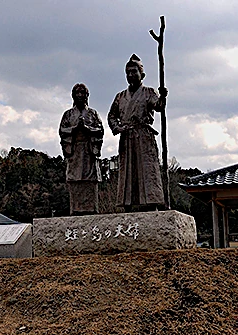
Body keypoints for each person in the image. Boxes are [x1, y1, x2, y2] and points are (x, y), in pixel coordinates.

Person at [108, 54, 168, 212]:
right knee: (128, 171)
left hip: (143, 136)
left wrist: (163, 96)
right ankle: (128, 203)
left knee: (147, 170)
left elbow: (159, 107)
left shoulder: (149, 92)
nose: (130, 75)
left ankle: (151, 202)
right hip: (126, 137)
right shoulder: (120, 96)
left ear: (142, 74)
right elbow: (111, 116)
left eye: (134, 72)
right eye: (127, 72)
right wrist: (118, 128)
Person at [59, 83, 104, 215]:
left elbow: (100, 130)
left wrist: (87, 128)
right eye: (77, 93)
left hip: (89, 151)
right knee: (75, 178)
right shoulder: (68, 114)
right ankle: (76, 209)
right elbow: (62, 130)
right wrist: (75, 129)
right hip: (75, 150)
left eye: (82, 93)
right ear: (73, 96)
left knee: (90, 178)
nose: (80, 96)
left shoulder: (92, 113)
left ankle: (91, 208)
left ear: (87, 96)